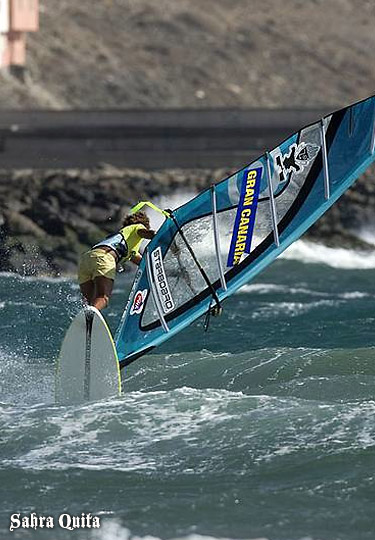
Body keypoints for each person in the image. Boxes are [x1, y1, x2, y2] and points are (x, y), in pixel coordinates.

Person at [78, 211, 155, 311]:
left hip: (86, 259)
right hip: (104, 257)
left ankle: (85, 322)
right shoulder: (137, 227)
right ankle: (88, 317)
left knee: (89, 302)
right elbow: (149, 233)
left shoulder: (123, 238)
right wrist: (159, 236)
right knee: (103, 298)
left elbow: (143, 262)